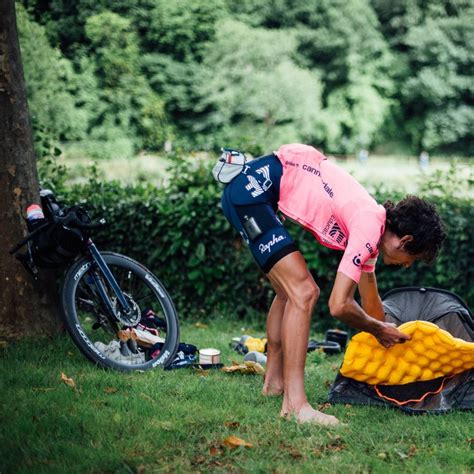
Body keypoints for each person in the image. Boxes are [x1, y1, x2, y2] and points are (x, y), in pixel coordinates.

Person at [220, 144, 446, 426]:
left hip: (248, 193)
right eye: (413, 258)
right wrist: (378, 329)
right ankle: (296, 406)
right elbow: (338, 305)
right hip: (250, 191)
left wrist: (389, 335)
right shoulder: (368, 224)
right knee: (304, 292)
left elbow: (371, 305)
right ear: (406, 241)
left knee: (287, 292)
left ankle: (274, 384)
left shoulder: (372, 230)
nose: (408, 264)